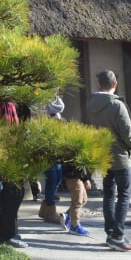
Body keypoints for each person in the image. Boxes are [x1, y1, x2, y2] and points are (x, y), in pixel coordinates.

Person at [86, 70, 131, 252]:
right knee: (124, 193)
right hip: (120, 156)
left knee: (108, 193)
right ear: (115, 84)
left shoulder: (90, 105)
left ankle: (110, 232)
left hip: (103, 154)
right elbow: (127, 132)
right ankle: (118, 236)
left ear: (99, 85)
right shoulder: (117, 105)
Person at [0, 101, 28, 247]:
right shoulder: (5, 104)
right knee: (13, 191)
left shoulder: (6, 104)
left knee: (14, 192)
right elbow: (8, 131)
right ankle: (7, 234)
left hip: (8, 152)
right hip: (8, 153)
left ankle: (9, 231)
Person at [37, 95, 65, 225]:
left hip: (58, 152)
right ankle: (50, 211)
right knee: (52, 180)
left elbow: (60, 107)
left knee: (58, 179)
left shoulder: (56, 99)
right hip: (48, 153)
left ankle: (45, 209)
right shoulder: (44, 108)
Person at [60, 160, 91, 236]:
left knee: (84, 200)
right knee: (77, 203)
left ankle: (67, 215)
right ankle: (74, 226)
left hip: (76, 178)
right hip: (74, 178)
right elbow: (79, 165)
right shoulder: (74, 152)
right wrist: (86, 179)